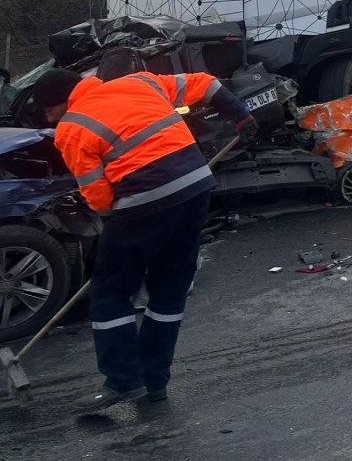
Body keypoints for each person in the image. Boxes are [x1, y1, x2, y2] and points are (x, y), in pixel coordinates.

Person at [30, 50, 254, 411]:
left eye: (46, 111)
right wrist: (240, 115)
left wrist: (114, 229)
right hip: (196, 188)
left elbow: (98, 196)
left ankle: (122, 380)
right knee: (169, 288)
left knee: (110, 291)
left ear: (57, 104)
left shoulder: (71, 129)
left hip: (143, 200)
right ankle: (154, 380)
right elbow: (204, 83)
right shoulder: (141, 82)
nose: (48, 118)